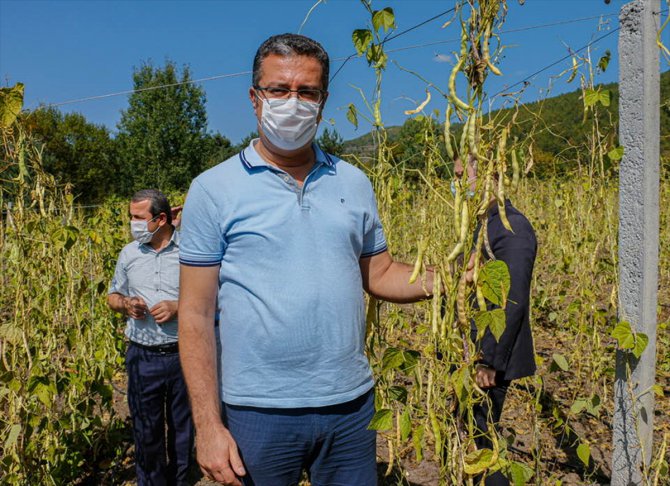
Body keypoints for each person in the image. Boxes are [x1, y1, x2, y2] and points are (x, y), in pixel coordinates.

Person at [177, 33, 438, 486]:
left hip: (350, 406)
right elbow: (195, 315)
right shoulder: (213, 189)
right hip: (257, 410)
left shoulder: (354, 182)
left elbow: (380, 274)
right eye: (279, 89)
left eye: (306, 92)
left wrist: (453, 277)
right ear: (255, 99)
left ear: (323, 101)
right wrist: (207, 426)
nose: (292, 102)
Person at [456, 156, 537, 486]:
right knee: (470, 434)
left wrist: (487, 360)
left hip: (488, 360)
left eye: (464, 175)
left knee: (483, 442)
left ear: (491, 178)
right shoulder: (482, 223)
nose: (458, 183)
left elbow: (511, 300)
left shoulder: (512, 227)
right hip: (471, 352)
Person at [107, 189, 194, 485]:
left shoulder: (191, 252)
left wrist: (177, 307)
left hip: (184, 352)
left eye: (138, 217)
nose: (133, 224)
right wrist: (126, 304)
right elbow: (113, 296)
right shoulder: (129, 253)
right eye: (131, 217)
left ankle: (180, 480)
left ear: (160, 219)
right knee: (146, 428)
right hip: (142, 354)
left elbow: (213, 296)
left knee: (183, 426)